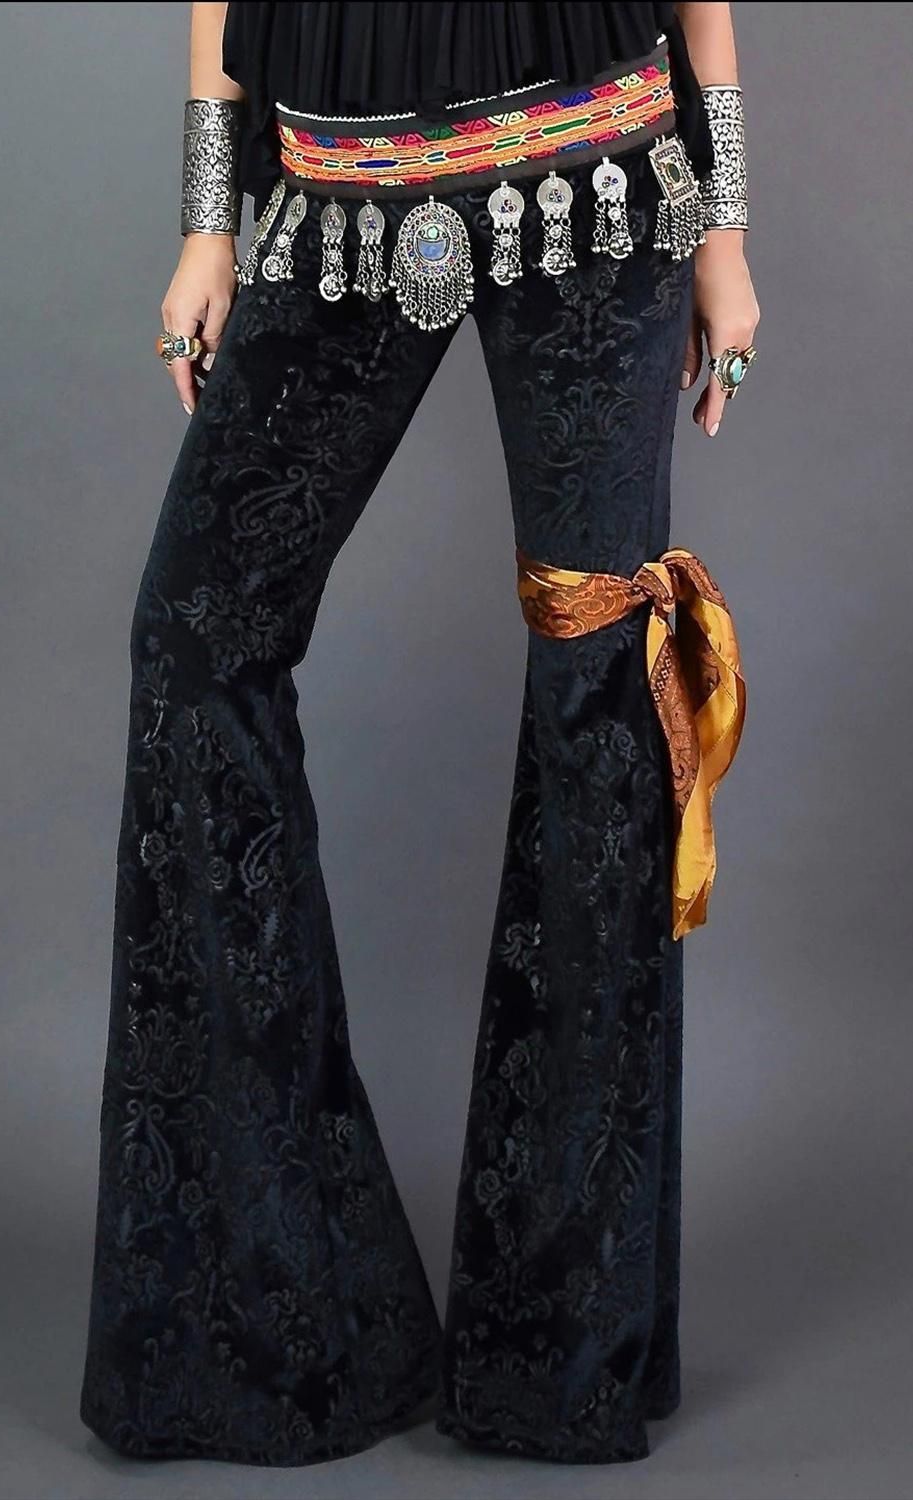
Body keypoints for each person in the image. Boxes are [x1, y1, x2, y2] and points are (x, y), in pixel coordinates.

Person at [80, 0, 754, 1468]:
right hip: (328, 192)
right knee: (196, 643)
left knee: (599, 685)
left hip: (595, 177)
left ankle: (562, 1350)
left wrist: (725, 231)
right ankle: (281, 1307)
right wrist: (208, 222)